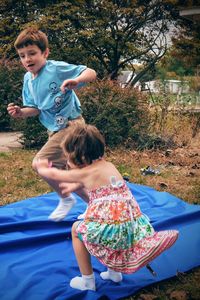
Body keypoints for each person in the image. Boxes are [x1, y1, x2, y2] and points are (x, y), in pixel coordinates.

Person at [35, 123, 179, 292]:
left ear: (79, 158)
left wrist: (42, 167)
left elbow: (56, 175)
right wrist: (73, 187)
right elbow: (99, 185)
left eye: (67, 158)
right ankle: (114, 274)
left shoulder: (85, 173)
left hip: (114, 230)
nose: (66, 162)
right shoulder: (108, 166)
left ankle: (87, 281)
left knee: (76, 230)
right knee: (111, 232)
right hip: (131, 227)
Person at [7, 27, 96, 221]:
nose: (27, 59)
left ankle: (66, 199)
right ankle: (95, 206)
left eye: (32, 54)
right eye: (22, 56)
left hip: (72, 127)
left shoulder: (55, 68)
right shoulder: (27, 80)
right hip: (55, 131)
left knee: (40, 163)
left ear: (45, 53)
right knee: (68, 173)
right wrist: (21, 112)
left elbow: (91, 72)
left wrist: (77, 80)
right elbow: (36, 108)